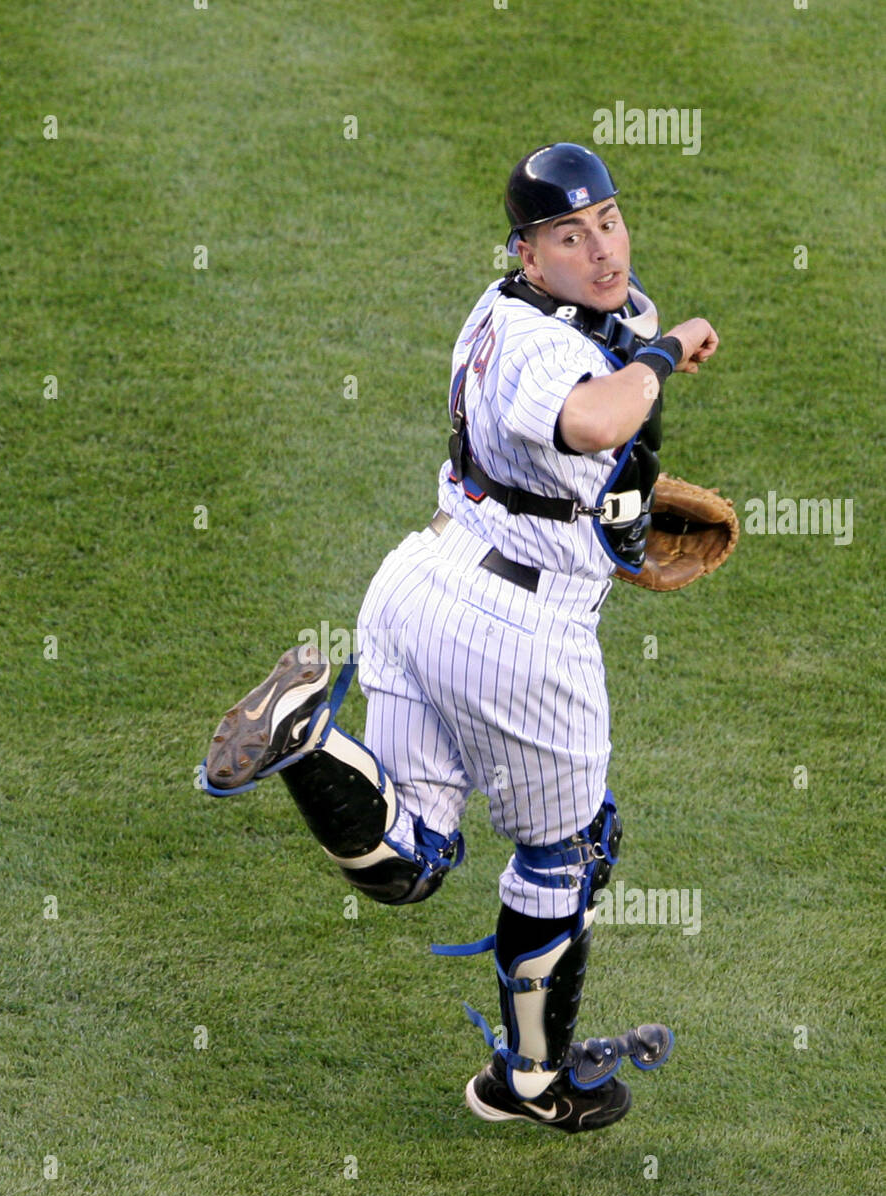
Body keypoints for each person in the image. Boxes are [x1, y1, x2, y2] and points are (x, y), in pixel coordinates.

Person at [203, 142, 719, 1133]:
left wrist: (625, 508)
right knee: (571, 846)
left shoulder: (530, 308)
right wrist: (663, 355)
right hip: (514, 628)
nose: (601, 249)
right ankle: (530, 1081)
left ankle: (312, 740)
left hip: (421, 581)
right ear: (528, 254)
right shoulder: (544, 350)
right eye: (570, 236)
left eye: (607, 221)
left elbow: (601, 437)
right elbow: (594, 417)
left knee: (408, 860)